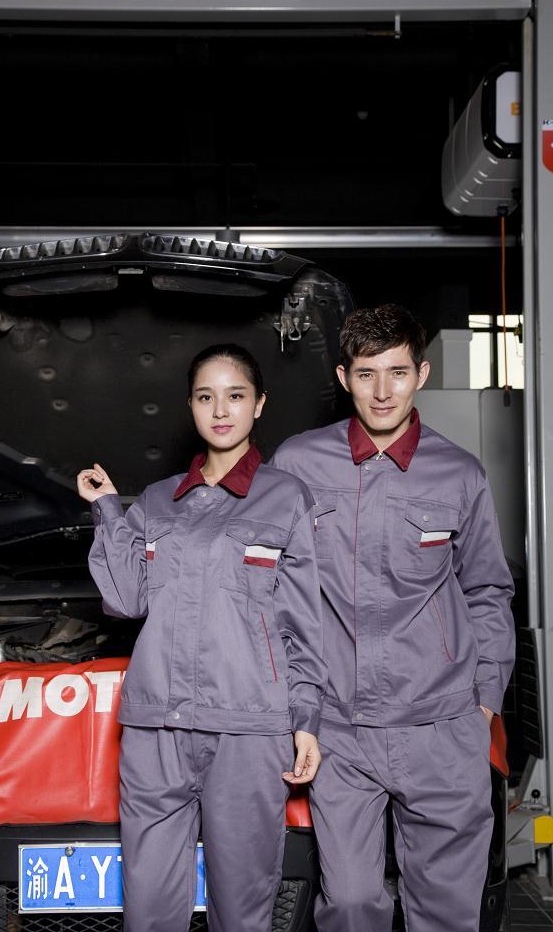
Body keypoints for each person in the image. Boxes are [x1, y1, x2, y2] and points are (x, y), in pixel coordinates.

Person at [270, 304, 515, 932]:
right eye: (366, 373)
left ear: (421, 374)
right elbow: (270, 588)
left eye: (398, 372)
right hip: (340, 729)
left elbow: (488, 591)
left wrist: (483, 703)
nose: (383, 391)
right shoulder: (297, 464)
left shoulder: (460, 473)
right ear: (343, 377)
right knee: (351, 904)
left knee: (447, 912)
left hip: (441, 726)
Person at [77, 343, 326, 932]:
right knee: (148, 912)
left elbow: (302, 622)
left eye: (235, 395)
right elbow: (127, 599)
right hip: (155, 729)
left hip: (247, 729)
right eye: (205, 396)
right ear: (190, 405)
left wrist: (307, 719)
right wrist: (108, 509)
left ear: (258, 404)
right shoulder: (157, 500)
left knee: (241, 911)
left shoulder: (287, 498)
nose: (220, 410)